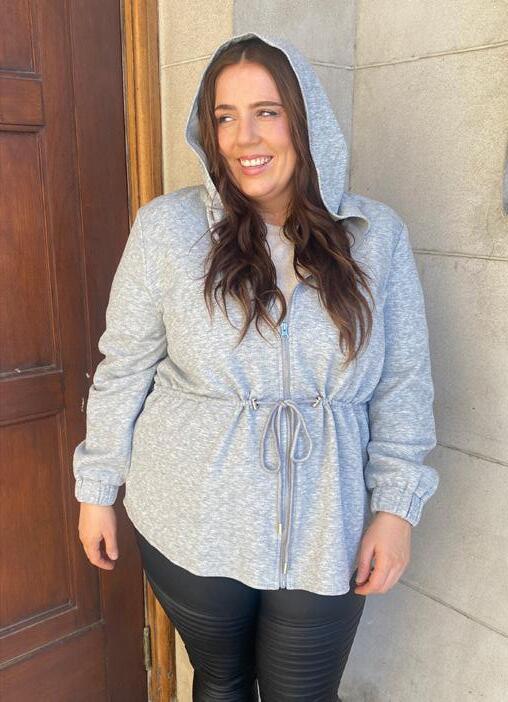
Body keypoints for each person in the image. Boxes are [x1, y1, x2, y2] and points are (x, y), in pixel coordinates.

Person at [74, 32, 439, 701]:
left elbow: (404, 382)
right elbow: (123, 365)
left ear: (304, 119)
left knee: (304, 693)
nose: (245, 137)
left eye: (267, 111)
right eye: (225, 116)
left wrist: (396, 508)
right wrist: (97, 487)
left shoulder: (375, 236)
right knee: (222, 682)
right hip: (192, 512)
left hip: (326, 520)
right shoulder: (167, 230)